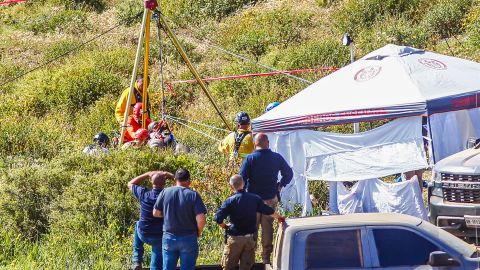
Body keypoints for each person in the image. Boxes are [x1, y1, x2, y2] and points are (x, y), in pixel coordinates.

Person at [239, 133, 293, 264]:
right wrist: (280, 185)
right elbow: (289, 173)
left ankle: (249, 260)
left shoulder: (250, 158)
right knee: (268, 228)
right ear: (268, 142)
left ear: (254, 143)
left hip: (253, 200)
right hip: (270, 198)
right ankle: (266, 259)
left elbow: (242, 178)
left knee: (252, 229)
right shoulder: (276, 157)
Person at [214, 175, 285, 270]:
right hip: (249, 240)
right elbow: (268, 210)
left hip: (235, 239)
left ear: (231, 186)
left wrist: (225, 226)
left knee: (228, 267)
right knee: (246, 267)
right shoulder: (254, 199)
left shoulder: (229, 201)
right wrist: (280, 218)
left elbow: (218, 218)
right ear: (243, 184)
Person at [153, 169, 207, 270]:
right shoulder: (193, 195)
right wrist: (198, 232)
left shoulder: (165, 192)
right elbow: (201, 219)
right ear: (189, 181)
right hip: (188, 237)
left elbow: (155, 213)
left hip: (169, 237)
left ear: (175, 179)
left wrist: (169, 215)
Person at [128, 170, 174, 270]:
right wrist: (171, 175)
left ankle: (136, 260)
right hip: (159, 236)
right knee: (157, 260)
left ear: (151, 182)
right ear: (165, 183)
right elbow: (181, 187)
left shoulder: (144, 194)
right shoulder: (169, 196)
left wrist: (147, 174)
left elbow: (130, 183)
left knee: (138, 225)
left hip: (144, 234)